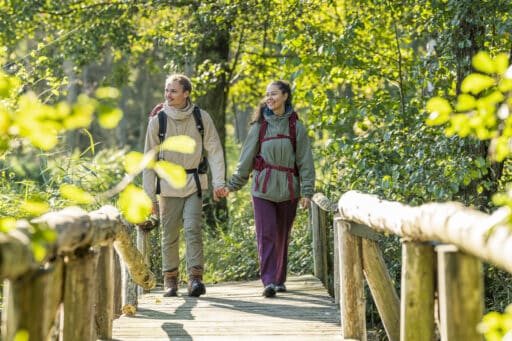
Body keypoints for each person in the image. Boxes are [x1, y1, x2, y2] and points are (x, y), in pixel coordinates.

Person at [224, 80, 315, 297]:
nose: (269, 98)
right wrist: (233, 185)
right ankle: (268, 281)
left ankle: (279, 279)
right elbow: (245, 159)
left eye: (274, 94)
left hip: (288, 189)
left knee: (282, 234)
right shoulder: (259, 126)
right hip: (262, 189)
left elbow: (305, 161)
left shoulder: (296, 127)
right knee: (266, 234)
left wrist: (308, 192)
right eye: (267, 95)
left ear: (285, 96)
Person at [142, 74, 227, 297]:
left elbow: (215, 149)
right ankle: (170, 280)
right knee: (169, 234)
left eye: (173, 91)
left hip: (193, 183)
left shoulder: (201, 117)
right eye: (166, 91)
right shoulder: (157, 121)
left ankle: (195, 279)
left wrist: (219, 182)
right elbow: (148, 161)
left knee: (193, 230)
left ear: (186, 93)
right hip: (167, 185)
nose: (168, 95)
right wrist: (149, 196)